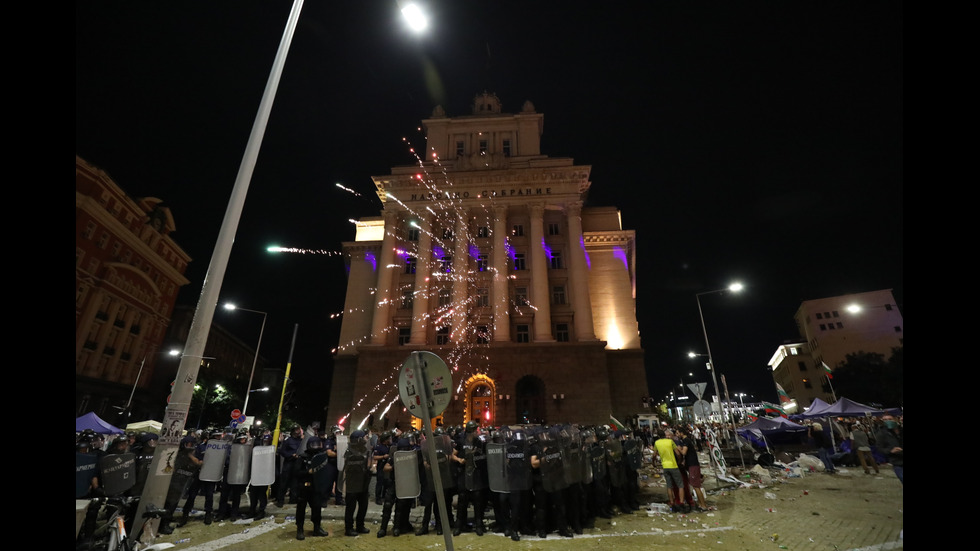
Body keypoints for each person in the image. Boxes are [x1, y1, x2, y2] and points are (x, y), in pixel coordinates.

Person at [294, 436, 328, 540]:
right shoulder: (303, 457)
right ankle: (300, 529)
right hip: (304, 487)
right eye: (314, 445)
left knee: (317, 508)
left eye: (318, 445)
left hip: (316, 487)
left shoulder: (321, 457)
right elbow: (296, 472)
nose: (316, 447)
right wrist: (307, 472)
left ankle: (317, 528)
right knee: (301, 509)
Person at [342, 430, 372, 536]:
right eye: (364, 437)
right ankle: (349, 528)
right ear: (359, 439)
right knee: (351, 507)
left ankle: (360, 525)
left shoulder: (365, 449)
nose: (366, 439)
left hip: (363, 482)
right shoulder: (350, 451)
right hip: (353, 483)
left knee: (363, 505)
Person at [651, 428, 687, 513]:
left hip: (665, 466)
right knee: (680, 485)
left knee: (669, 486)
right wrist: (679, 461)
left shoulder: (656, 443)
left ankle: (672, 503)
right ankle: (681, 503)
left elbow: (654, 455)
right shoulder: (670, 442)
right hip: (673, 465)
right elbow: (678, 453)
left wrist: (653, 463)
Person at [675, 425, 708, 511]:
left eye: (678, 433)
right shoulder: (685, 440)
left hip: (693, 465)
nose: (677, 435)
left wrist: (678, 449)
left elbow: (684, 452)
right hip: (691, 465)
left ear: (682, 433)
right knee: (695, 485)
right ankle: (701, 504)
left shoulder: (686, 440)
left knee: (696, 486)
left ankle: (703, 506)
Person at [275, 425, 304, 507]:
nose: (298, 431)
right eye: (297, 430)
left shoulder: (301, 441)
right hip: (289, 462)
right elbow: (282, 451)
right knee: (284, 482)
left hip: (297, 463)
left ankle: (293, 499)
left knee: (295, 482)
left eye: (299, 429)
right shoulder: (288, 440)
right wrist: (291, 455)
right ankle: (280, 500)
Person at [874, 415, 903, 484]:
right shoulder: (881, 433)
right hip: (897, 461)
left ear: (895, 419)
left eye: (890, 419)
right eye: (885, 420)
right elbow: (879, 448)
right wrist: (890, 451)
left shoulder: (901, 430)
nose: (888, 421)